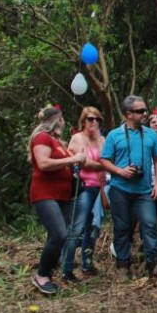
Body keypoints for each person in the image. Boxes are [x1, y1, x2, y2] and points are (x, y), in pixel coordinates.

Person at [101, 95, 157, 280]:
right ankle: (123, 265)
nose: (144, 113)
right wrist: (120, 171)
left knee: (150, 224)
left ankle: (154, 263)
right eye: (140, 111)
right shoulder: (114, 135)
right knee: (121, 227)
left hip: (144, 190)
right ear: (128, 114)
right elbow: (104, 160)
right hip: (120, 189)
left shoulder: (151, 134)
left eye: (145, 110)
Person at [28, 106, 87, 294]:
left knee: (59, 235)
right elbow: (44, 163)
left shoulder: (58, 143)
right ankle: (42, 275)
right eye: (62, 119)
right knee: (59, 234)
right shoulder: (42, 138)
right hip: (45, 194)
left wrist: (79, 160)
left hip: (63, 196)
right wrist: (72, 159)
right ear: (56, 120)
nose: (63, 123)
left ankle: (48, 274)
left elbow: (69, 164)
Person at [61, 107, 106, 283]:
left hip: (100, 187)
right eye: (90, 119)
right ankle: (67, 267)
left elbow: (109, 159)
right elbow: (83, 162)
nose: (94, 122)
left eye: (97, 119)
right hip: (84, 187)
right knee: (77, 227)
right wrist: (102, 165)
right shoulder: (78, 138)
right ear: (83, 121)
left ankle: (87, 262)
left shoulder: (102, 139)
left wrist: (103, 165)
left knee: (92, 228)